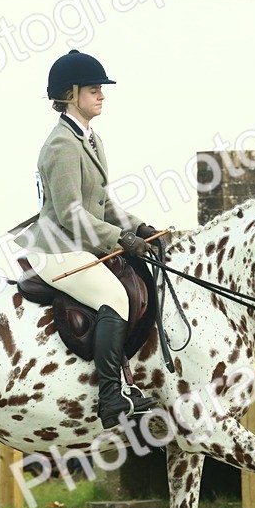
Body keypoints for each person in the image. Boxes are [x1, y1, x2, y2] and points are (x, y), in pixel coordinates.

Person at [14, 49, 159, 429]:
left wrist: (140, 228)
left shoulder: (90, 139)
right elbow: (71, 213)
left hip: (79, 243)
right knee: (115, 297)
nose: (101, 95)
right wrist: (120, 239)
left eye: (100, 89)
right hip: (57, 247)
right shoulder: (62, 144)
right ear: (71, 93)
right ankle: (110, 397)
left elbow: (103, 203)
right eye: (94, 90)